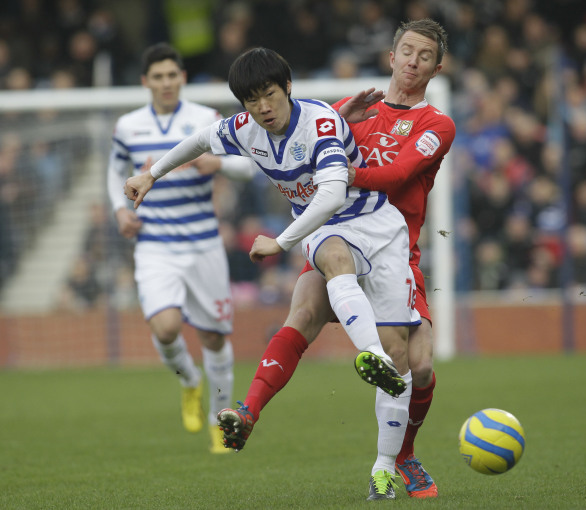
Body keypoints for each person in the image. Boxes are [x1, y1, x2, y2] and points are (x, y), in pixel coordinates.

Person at [124, 47, 419, 501]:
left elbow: (333, 192)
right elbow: (202, 140)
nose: (263, 108)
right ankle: (361, 359)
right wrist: (152, 174)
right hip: (326, 230)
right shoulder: (247, 128)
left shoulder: (321, 123)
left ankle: (383, 466)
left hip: (379, 227)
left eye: (270, 95)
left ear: (288, 89)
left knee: (402, 356)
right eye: (252, 100)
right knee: (325, 271)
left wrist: (280, 241)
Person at [217, 19, 455, 500]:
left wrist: (343, 174)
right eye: (406, 51)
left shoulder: (436, 124)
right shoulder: (350, 116)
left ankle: (402, 456)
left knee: (419, 365)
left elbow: (400, 173)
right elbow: (309, 142)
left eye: (424, 55)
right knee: (302, 313)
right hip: (337, 239)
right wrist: (343, 116)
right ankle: (247, 411)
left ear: (437, 67)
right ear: (390, 57)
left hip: (394, 248)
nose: (412, 61)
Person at [106, 43, 255, 454]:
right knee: (166, 327)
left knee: (212, 336)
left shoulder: (205, 120)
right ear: (145, 82)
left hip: (203, 244)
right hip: (154, 244)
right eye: (158, 76)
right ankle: (190, 381)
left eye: (173, 75)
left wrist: (219, 163)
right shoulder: (128, 127)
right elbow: (115, 172)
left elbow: (249, 162)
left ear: (182, 78)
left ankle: (219, 419)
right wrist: (120, 210)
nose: (166, 82)